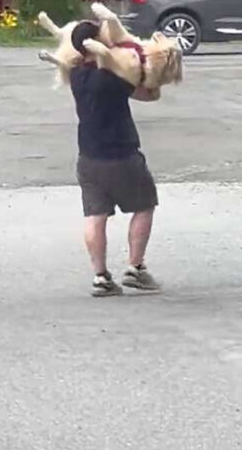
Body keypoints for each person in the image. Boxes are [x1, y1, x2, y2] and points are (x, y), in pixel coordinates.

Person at [69, 21, 162, 296]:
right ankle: (136, 268)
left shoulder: (76, 74)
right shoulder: (112, 76)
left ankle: (101, 277)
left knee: (95, 216)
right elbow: (148, 94)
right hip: (121, 153)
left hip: (88, 156)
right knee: (144, 205)